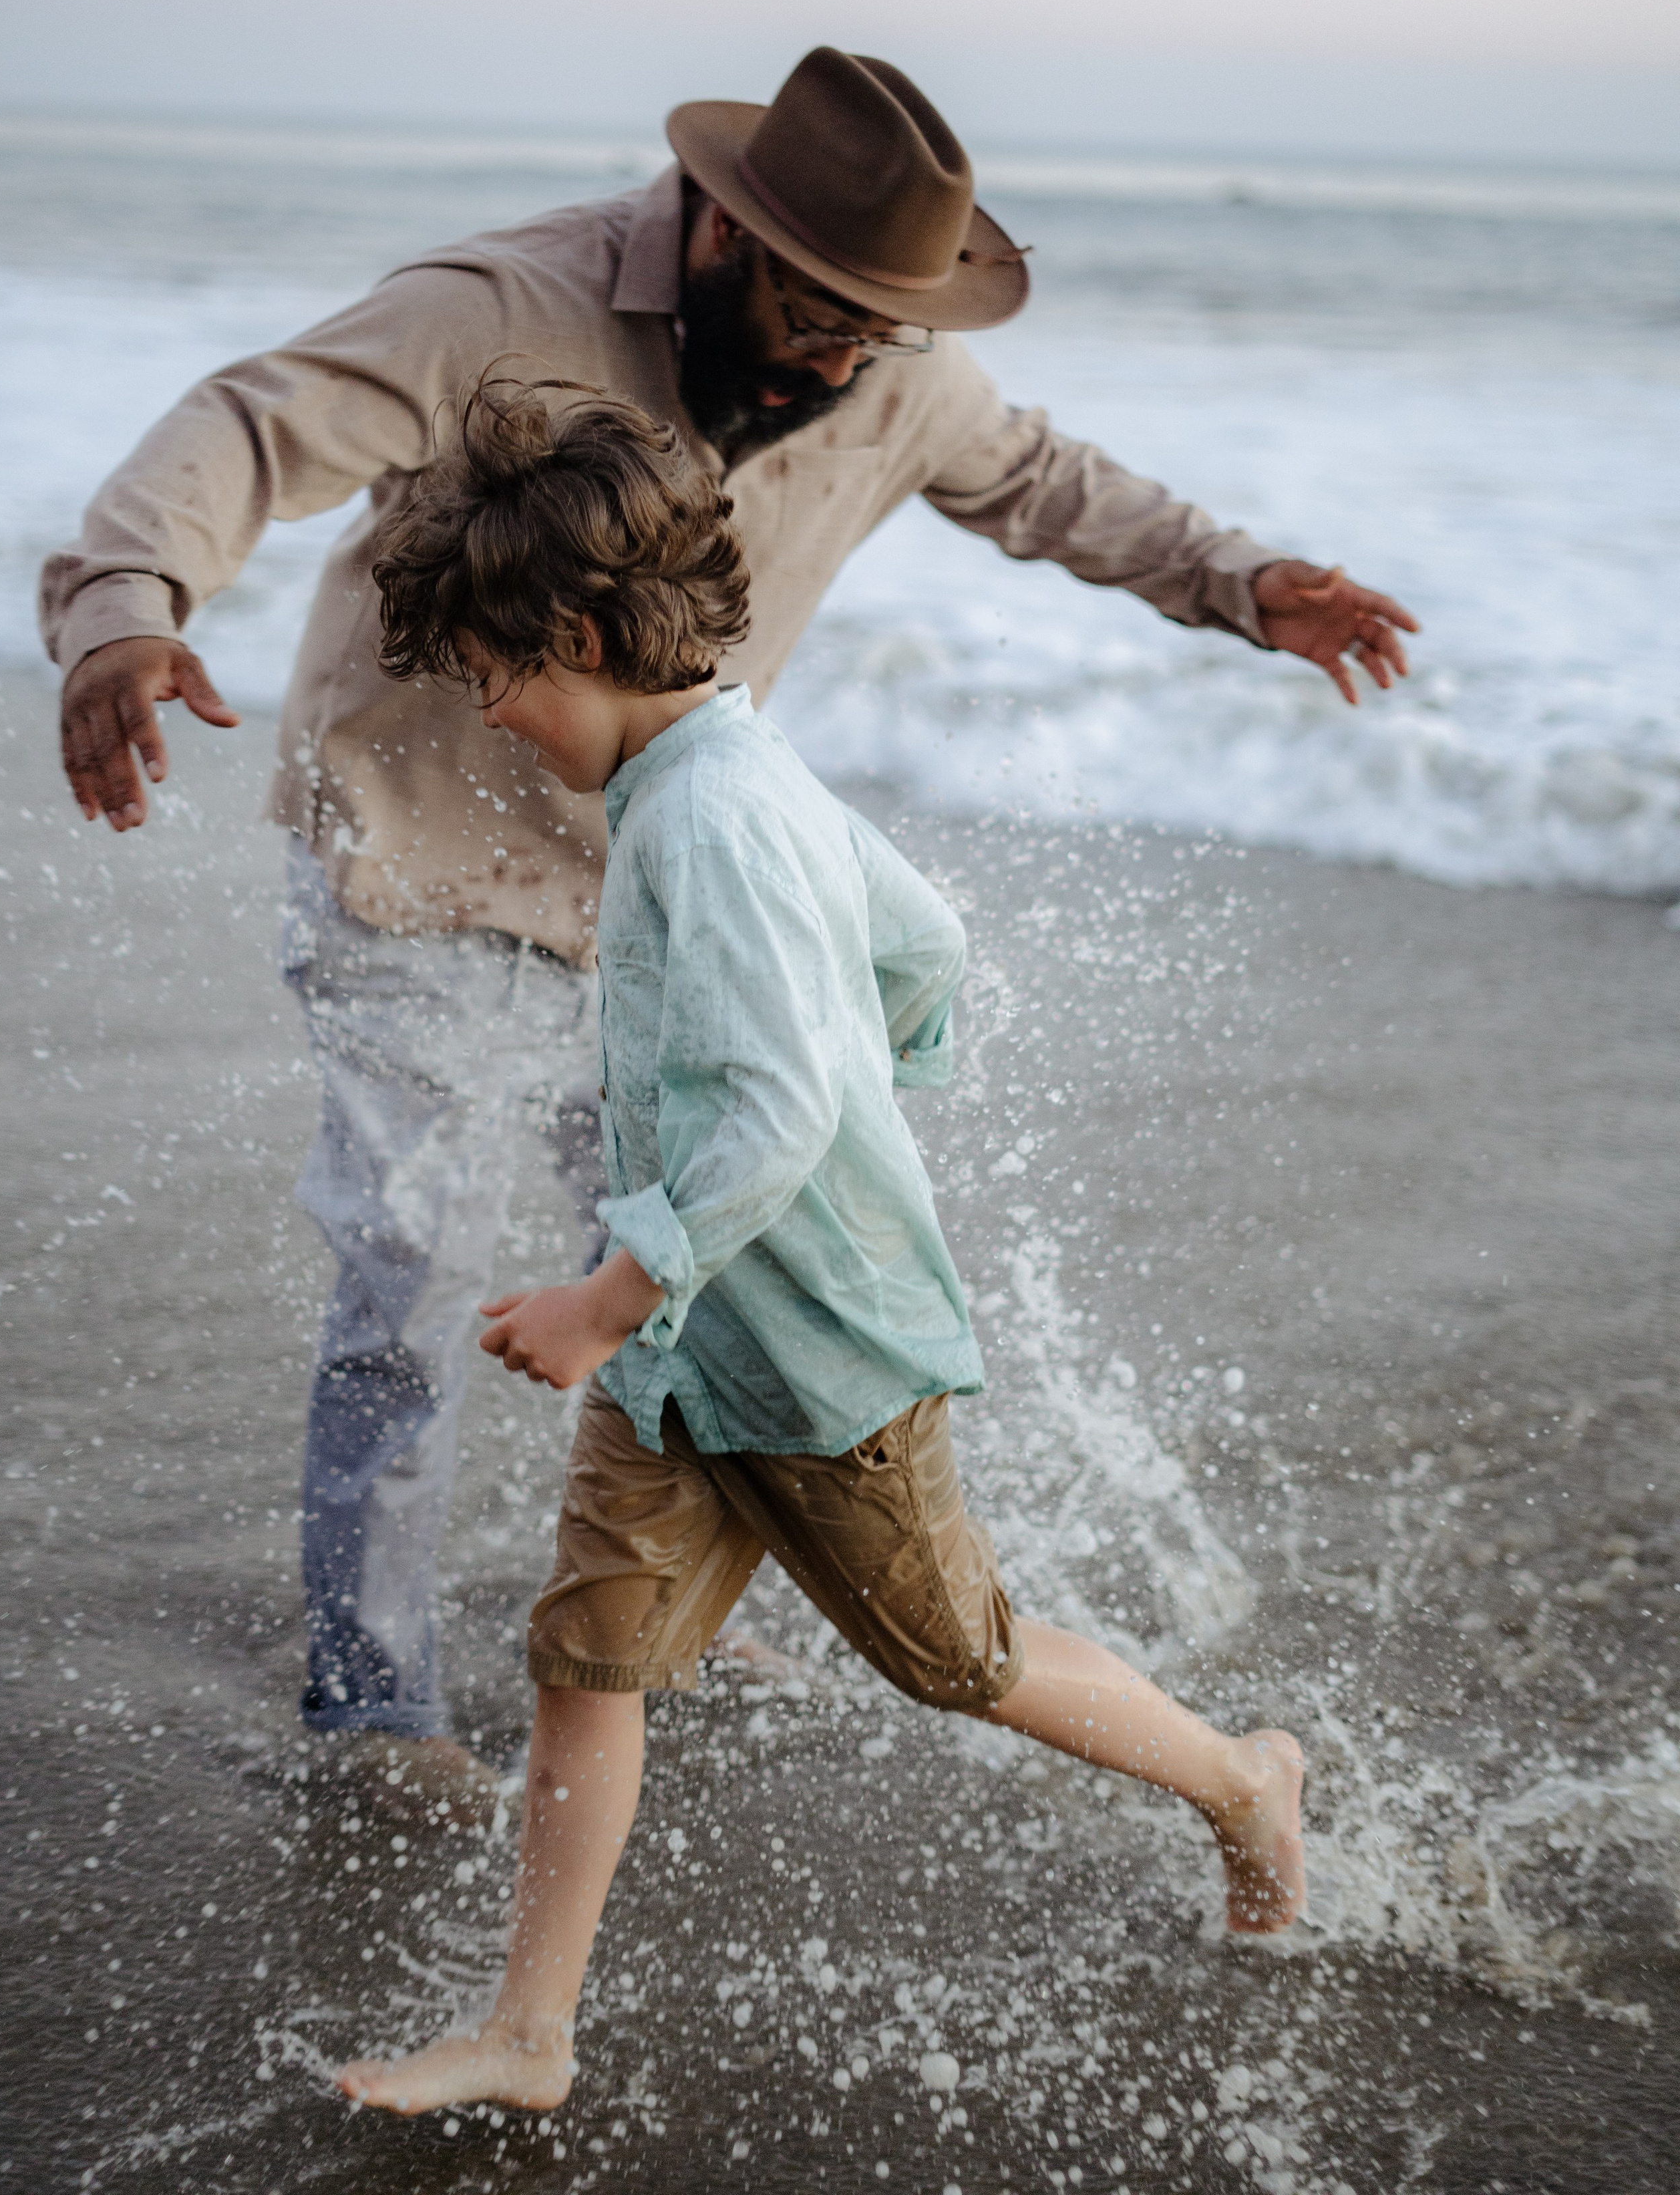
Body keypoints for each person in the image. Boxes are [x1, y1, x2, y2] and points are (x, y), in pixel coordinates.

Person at [39, 46, 1411, 1825]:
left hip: (659, 882)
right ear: (717, 232)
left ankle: (672, 1608)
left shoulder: (897, 370)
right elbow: (247, 424)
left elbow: (1047, 486)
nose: (845, 355)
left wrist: (1240, 583)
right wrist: (125, 613)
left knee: (701, 1271)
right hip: (416, 854)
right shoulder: (500, 308)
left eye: (877, 330)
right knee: (418, 1281)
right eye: (817, 310)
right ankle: (372, 1711)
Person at [334, 375, 1305, 2116]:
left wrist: (606, 1291)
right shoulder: (731, 759)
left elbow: (775, 1116)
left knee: (962, 1658)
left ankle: (1240, 1779)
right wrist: (883, 1070)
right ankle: (529, 2037)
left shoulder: (706, 825)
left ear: (579, 630)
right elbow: (924, 939)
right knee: (589, 1659)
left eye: (494, 671)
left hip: (812, 1355)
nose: (485, 711)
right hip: (687, 1354)